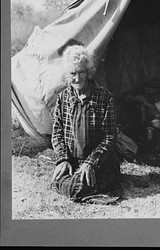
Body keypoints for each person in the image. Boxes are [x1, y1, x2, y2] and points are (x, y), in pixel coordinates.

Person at [50, 40, 123, 204]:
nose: (77, 78)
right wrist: (63, 159)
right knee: (62, 179)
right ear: (66, 74)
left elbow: (110, 137)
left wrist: (90, 163)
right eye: (72, 74)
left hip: (99, 163)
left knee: (75, 189)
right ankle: (73, 179)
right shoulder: (63, 97)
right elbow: (57, 132)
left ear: (89, 71)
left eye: (81, 72)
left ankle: (96, 179)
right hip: (73, 161)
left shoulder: (105, 97)